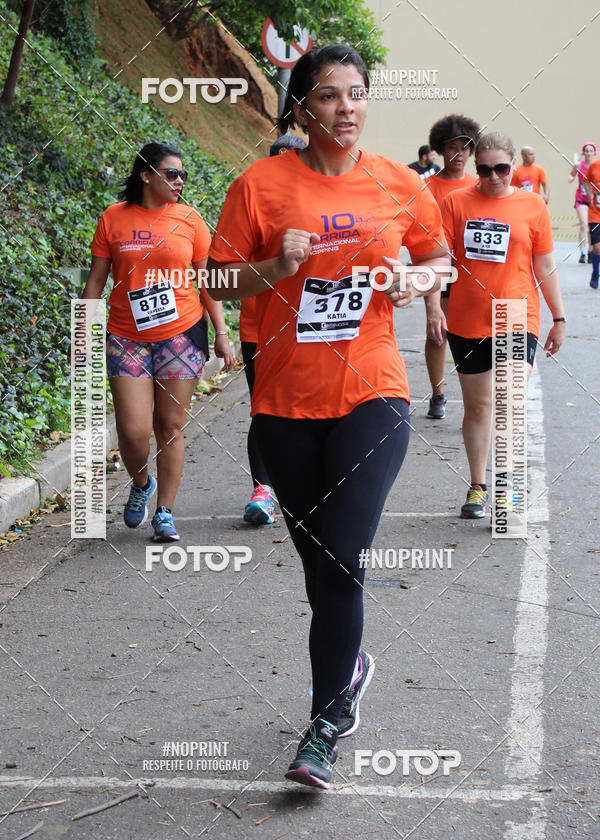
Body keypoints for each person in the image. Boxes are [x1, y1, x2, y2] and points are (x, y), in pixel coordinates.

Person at [207, 45, 450, 788]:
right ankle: (349, 670)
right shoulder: (260, 185)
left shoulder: (399, 182)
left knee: (343, 557)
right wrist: (276, 268)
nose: (347, 107)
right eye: (329, 95)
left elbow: (440, 260)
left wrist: (416, 280)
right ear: (300, 108)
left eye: (357, 92)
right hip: (284, 402)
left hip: (373, 393)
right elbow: (215, 278)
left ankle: (323, 727)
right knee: (323, 572)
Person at [83, 142, 234, 541]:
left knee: (170, 425)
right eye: (171, 173)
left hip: (181, 334)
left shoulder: (190, 219)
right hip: (126, 336)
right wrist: (82, 330)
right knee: (133, 431)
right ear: (146, 175)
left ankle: (165, 511)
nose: (179, 181)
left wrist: (221, 332)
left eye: (183, 174)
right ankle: (141, 483)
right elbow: (96, 281)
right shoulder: (113, 218)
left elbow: (207, 281)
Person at [442, 132, 566, 518]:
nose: (493, 177)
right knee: (479, 407)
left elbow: (544, 265)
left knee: (509, 403)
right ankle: (478, 486)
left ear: (513, 166)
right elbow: (440, 260)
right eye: (484, 170)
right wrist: (430, 301)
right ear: (475, 167)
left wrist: (558, 317)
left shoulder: (532, 205)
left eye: (501, 168)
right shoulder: (455, 202)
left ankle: (506, 489)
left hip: (515, 313)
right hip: (466, 317)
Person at [241, 133, 308, 526]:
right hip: (259, 328)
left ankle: (304, 484)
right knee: (264, 409)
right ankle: (263, 490)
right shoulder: (253, 203)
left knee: (309, 409)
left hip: (313, 329)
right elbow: (226, 271)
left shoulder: (323, 203)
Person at [423, 113, 480, 420]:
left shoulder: (480, 185)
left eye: (465, 148)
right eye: (451, 148)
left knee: (474, 335)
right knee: (437, 331)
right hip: (439, 270)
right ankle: (438, 393)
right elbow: (421, 240)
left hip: (474, 271)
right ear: (440, 149)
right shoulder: (427, 187)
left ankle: (476, 399)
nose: (458, 154)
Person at [568, 142, 596, 264]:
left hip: (593, 200)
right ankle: (583, 252)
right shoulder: (579, 165)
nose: (589, 153)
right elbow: (571, 175)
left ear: (594, 153)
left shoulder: (597, 166)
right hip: (581, 198)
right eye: (587, 151)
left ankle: (590, 251)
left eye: (591, 151)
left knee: (592, 227)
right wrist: (571, 178)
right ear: (583, 153)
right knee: (584, 225)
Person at [584, 151, 600, 288]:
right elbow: (585, 180)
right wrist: (589, 195)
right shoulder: (595, 165)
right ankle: (595, 273)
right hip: (595, 213)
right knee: (596, 247)